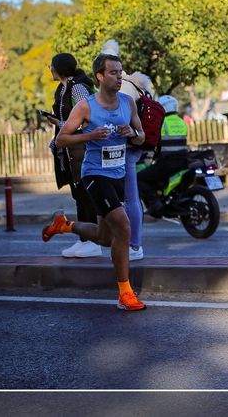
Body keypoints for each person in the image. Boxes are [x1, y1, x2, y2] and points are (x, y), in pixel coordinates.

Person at [43, 53, 147, 311]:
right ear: (100, 76)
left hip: (118, 174)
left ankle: (64, 225)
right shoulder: (86, 106)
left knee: (104, 237)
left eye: (121, 72)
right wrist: (89, 136)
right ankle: (125, 293)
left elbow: (142, 137)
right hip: (94, 174)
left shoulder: (127, 103)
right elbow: (62, 139)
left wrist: (132, 133)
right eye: (113, 72)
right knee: (123, 227)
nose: (119, 76)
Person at [101, 39, 154, 261]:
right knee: (126, 198)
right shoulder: (136, 82)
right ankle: (127, 243)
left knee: (130, 198)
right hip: (131, 147)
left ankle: (134, 245)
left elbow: (122, 122)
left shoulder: (122, 88)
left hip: (125, 148)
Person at [47, 53, 101, 258]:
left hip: (82, 148)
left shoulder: (77, 87)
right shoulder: (62, 88)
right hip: (70, 150)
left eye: (51, 66)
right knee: (78, 195)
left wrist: (60, 124)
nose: (50, 69)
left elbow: (85, 118)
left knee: (85, 195)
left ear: (59, 68)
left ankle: (93, 241)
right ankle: (84, 239)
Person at [138, 94, 190, 218]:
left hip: (167, 163)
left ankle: (154, 203)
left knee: (139, 178)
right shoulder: (182, 123)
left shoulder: (162, 122)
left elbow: (154, 142)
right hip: (183, 161)